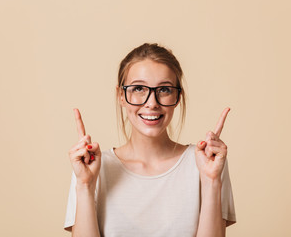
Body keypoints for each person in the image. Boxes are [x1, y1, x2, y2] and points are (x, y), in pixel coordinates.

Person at [64, 43, 236, 237]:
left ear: (178, 97)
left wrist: (211, 180)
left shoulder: (206, 163)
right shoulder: (90, 167)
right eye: (138, 88)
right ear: (121, 95)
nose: (152, 103)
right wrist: (85, 185)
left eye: (164, 90)